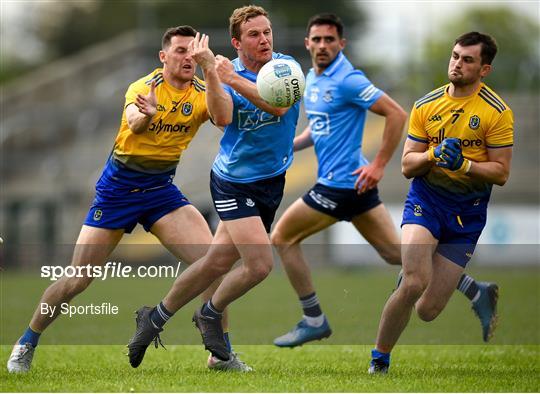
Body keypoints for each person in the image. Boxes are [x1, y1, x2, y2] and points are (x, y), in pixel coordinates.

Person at [7, 26, 249, 373]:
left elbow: (223, 118)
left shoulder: (201, 88)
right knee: (78, 278)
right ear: (163, 57)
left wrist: (211, 69)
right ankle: (26, 343)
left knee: (214, 264)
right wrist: (147, 114)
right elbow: (134, 122)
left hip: (161, 192)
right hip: (117, 193)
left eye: (192, 52)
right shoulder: (143, 87)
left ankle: (220, 355)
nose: (188, 58)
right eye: (180, 51)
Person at [271, 14, 499, 349]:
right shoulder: (311, 78)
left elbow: (396, 113)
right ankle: (475, 290)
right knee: (399, 256)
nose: (322, 46)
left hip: (342, 184)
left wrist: (379, 165)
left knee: (281, 238)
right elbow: (318, 127)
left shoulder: (348, 78)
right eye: (316, 40)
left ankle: (313, 319)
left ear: (341, 44)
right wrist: (290, 145)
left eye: (329, 40)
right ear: (307, 43)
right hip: (355, 186)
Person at [126, 5, 301, 369]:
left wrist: (230, 77)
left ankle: (153, 318)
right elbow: (221, 117)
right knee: (259, 266)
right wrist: (214, 71)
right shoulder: (220, 74)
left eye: (267, 31)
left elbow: (280, 107)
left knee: (215, 263)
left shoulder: (285, 67)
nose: (265, 39)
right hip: (234, 182)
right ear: (237, 43)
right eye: (254, 34)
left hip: (272, 180)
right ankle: (209, 314)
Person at [369, 32, 513, 374]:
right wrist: (433, 155)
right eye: (455, 56)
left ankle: (479, 293)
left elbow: (502, 172)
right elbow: (407, 166)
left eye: (468, 60)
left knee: (427, 310)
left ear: (485, 69)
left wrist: (463, 165)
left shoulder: (497, 112)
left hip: (468, 213)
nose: (457, 64)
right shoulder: (427, 104)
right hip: (426, 201)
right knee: (414, 280)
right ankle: (379, 362)